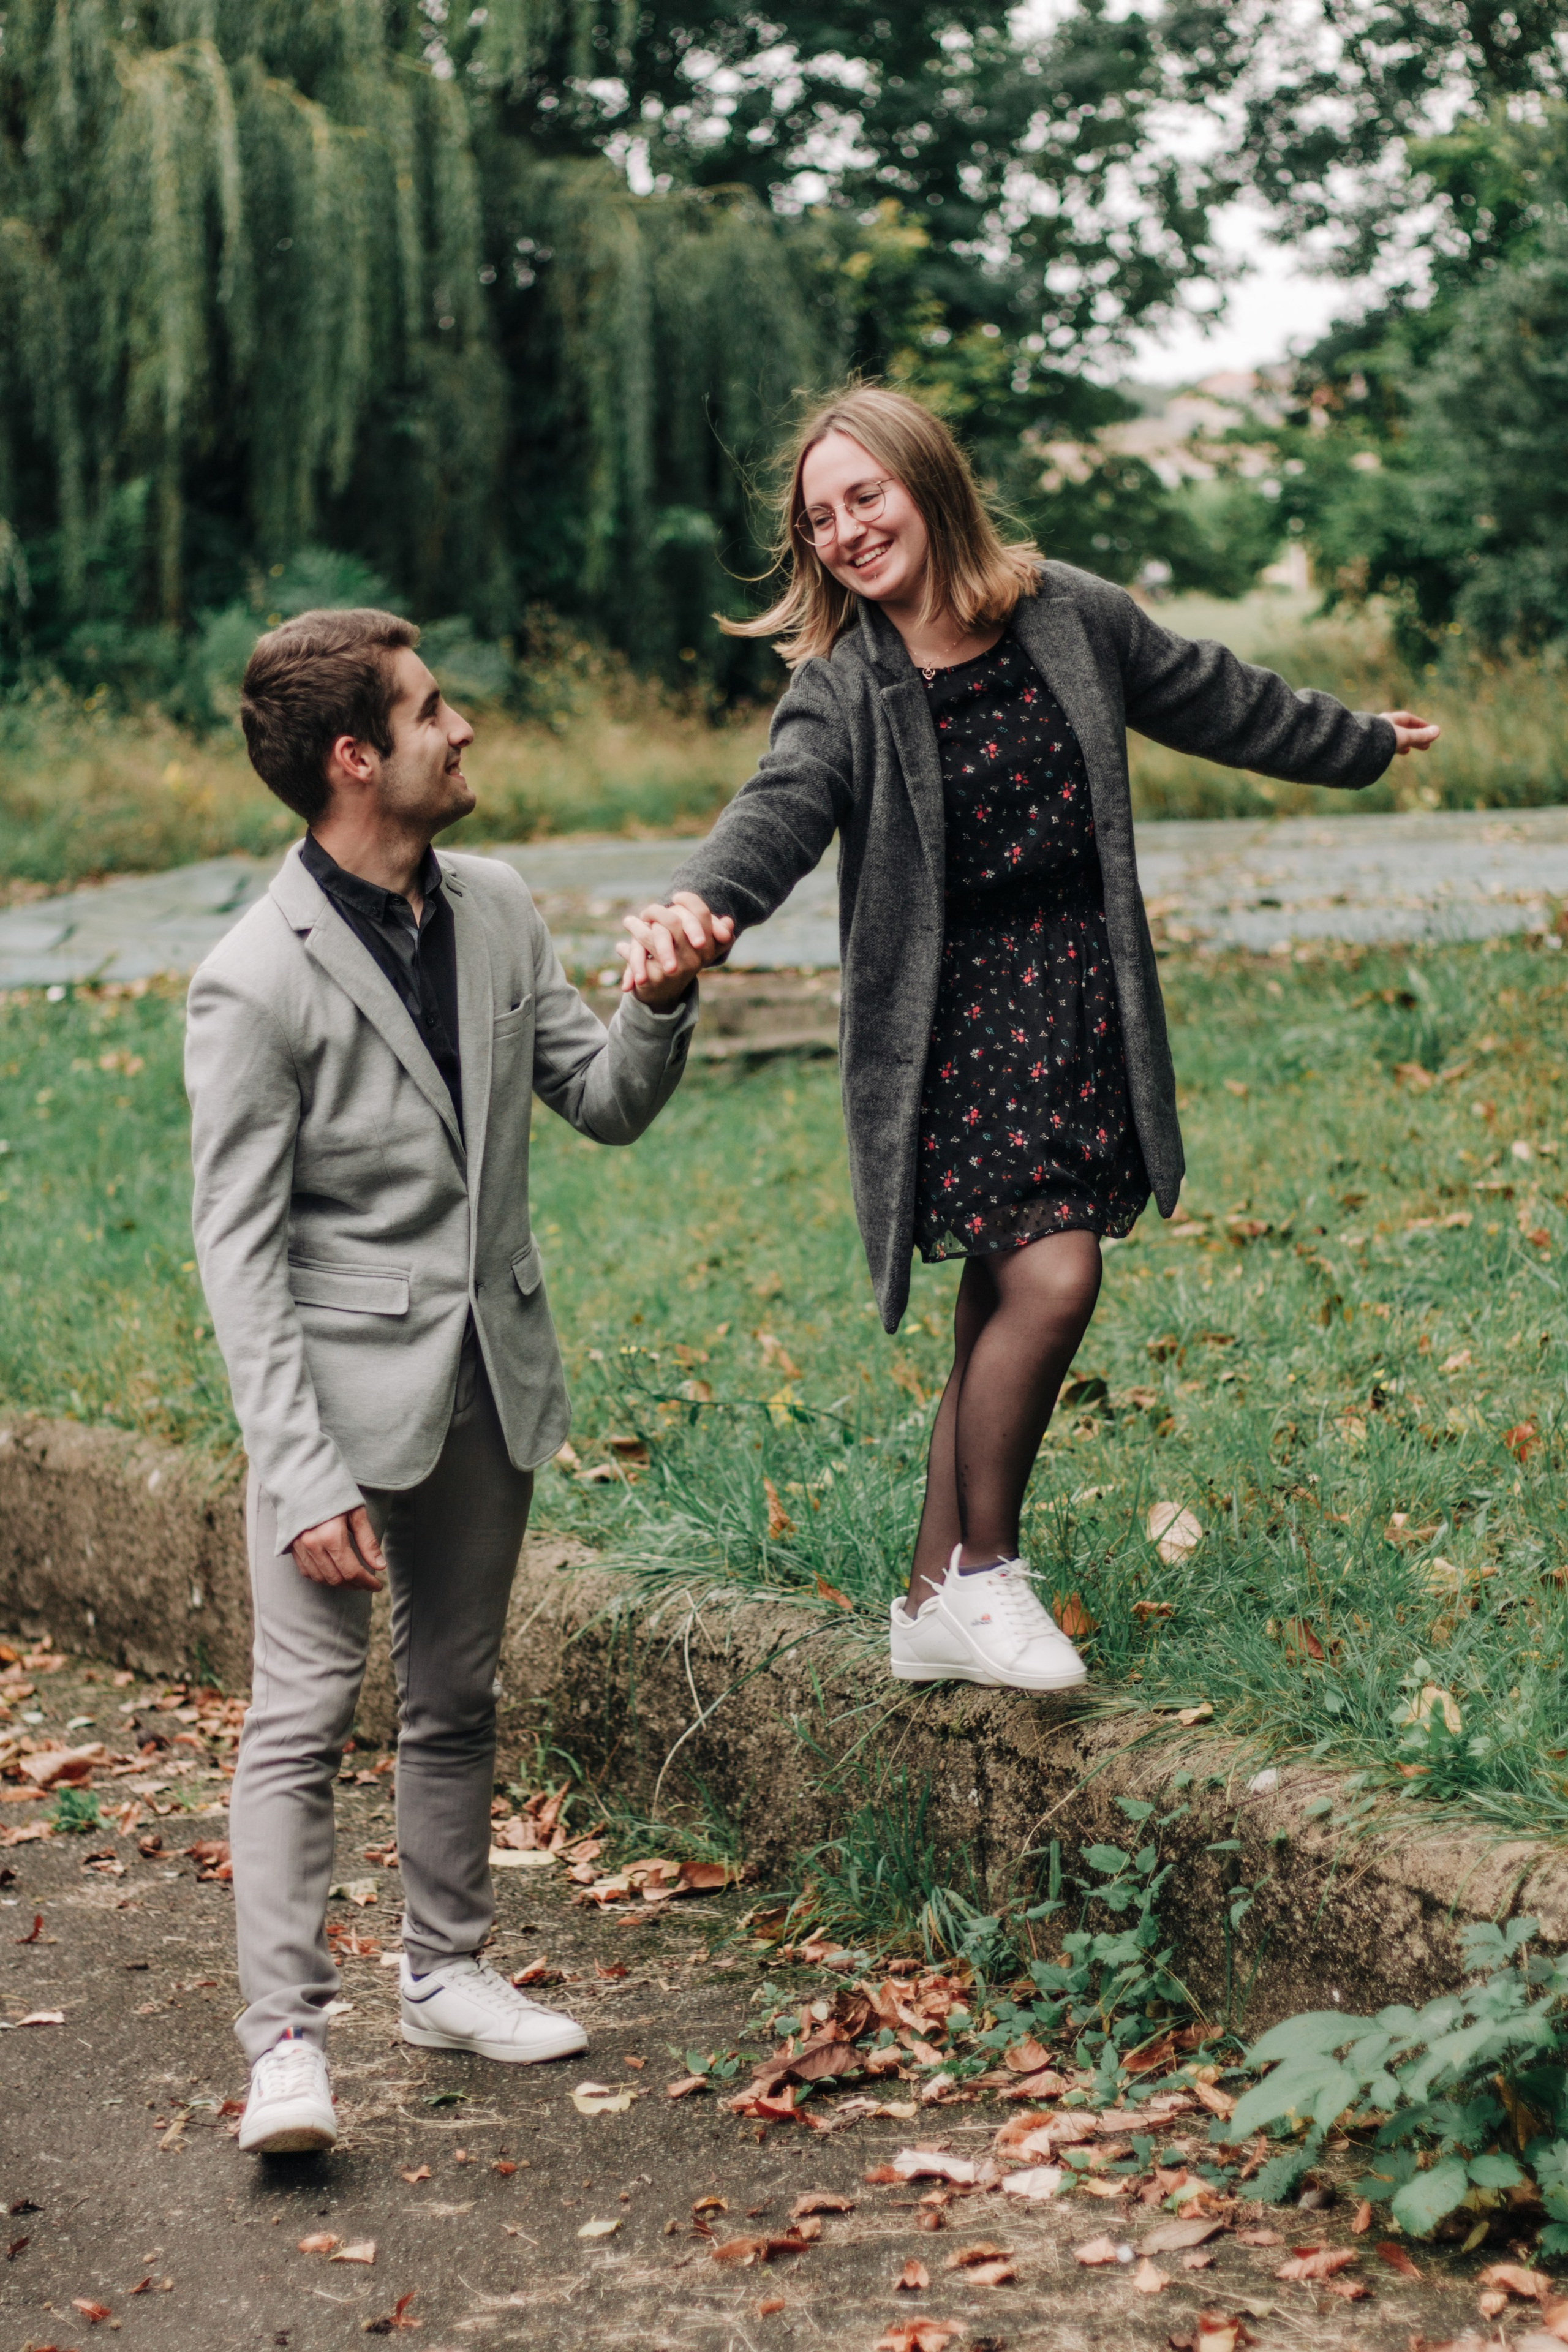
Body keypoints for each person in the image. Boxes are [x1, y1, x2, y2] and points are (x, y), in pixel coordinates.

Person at [621, 382, 1439, 1697]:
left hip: (1074, 1004)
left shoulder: (1069, 614)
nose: (845, 531)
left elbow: (1213, 695)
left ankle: (922, 1606)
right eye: (819, 518)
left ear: (928, 483)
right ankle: (983, 1576)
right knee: (1054, 1279)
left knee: (1003, 1300)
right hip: (950, 1033)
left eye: (865, 496)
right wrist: (699, 905)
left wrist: (1357, 742)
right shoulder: (844, 685)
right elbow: (775, 810)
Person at [186, 607, 706, 2156]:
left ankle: (444, 1973)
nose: (460, 727)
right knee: (300, 1721)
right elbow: (238, 1251)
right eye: (428, 712)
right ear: (356, 759)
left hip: (491, 1369)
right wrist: (299, 1471)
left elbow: (601, 1102)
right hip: (333, 1407)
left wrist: (658, 1001)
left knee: (455, 1697)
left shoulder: (497, 905)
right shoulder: (250, 980)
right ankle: (286, 2042)